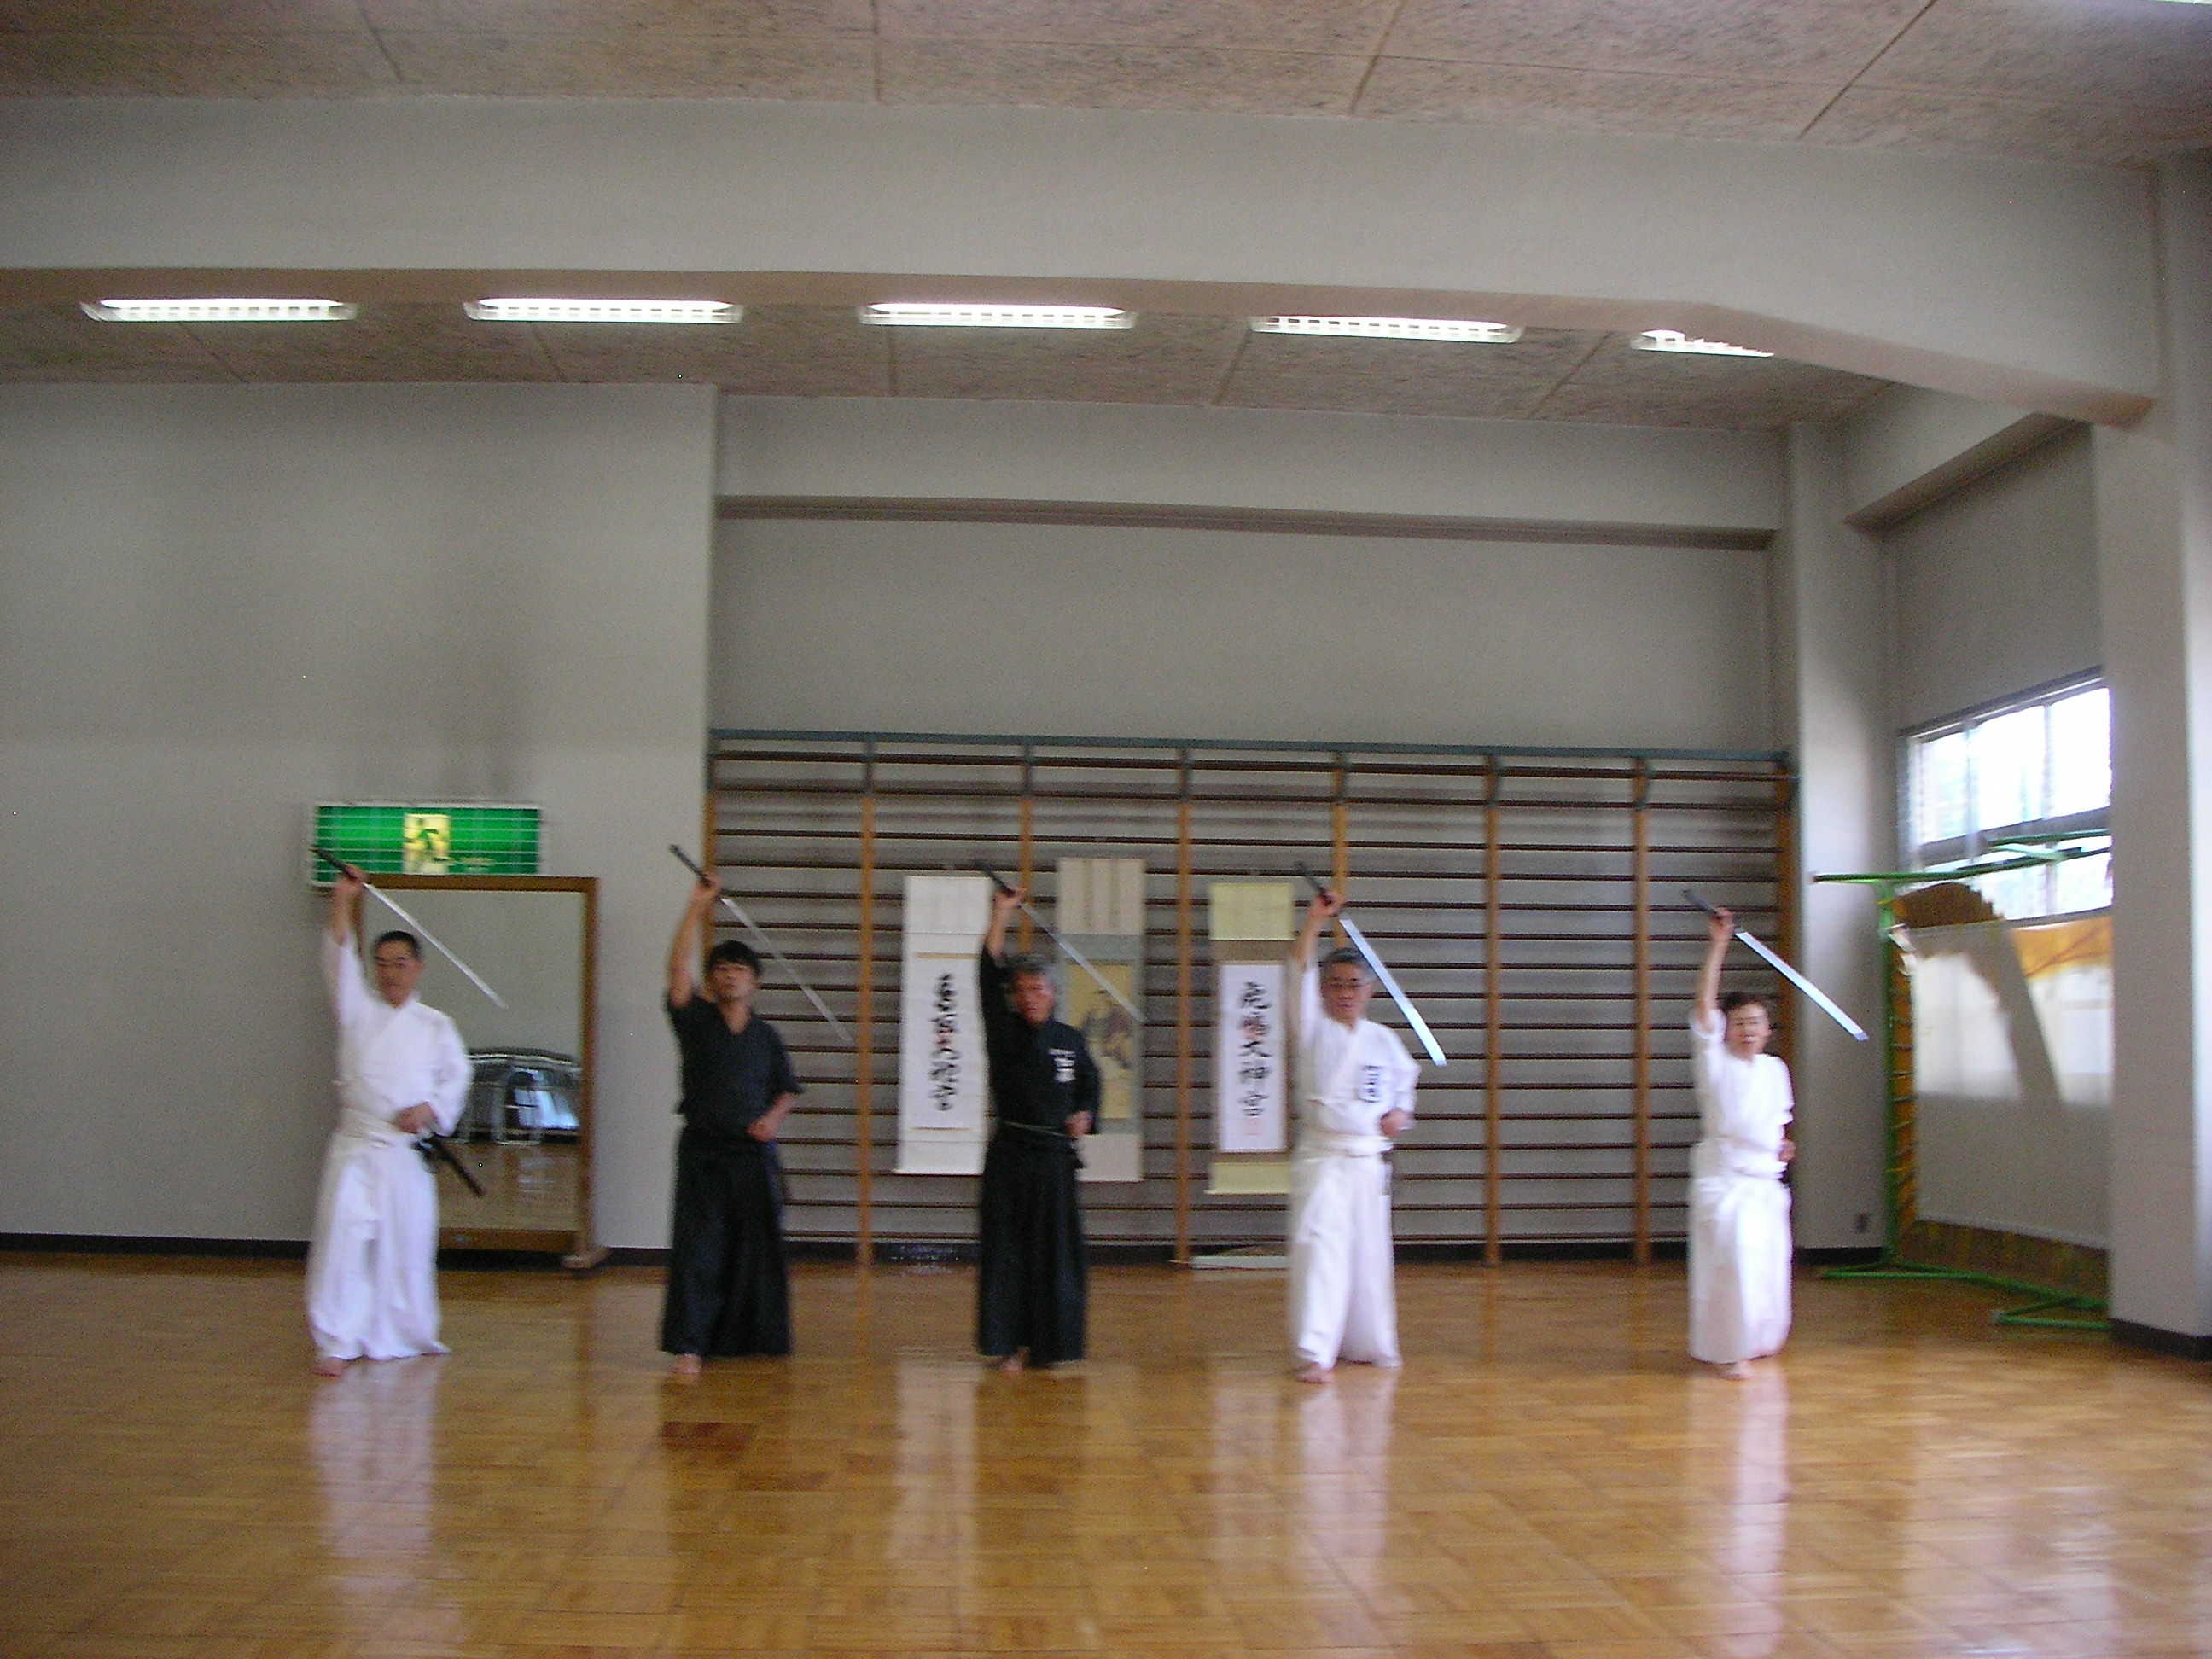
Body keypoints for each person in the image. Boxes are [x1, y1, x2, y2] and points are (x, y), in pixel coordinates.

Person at [307, 865, 471, 1377]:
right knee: (343, 1241)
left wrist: (430, 1109)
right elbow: (338, 958)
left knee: (406, 1246)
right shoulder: (357, 1010)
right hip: (357, 1146)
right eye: (381, 964)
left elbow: (457, 1078)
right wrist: (342, 900)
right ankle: (337, 1338)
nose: (390, 973)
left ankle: (405, 1331)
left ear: (418, 968)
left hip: (403, 1152)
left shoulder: (436, 1026)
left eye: (400, 963)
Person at [661, 872, 803, 1377]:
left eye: (739, 970)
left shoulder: (766, 1037)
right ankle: (691, 1345)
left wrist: (772, 1119)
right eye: (720, 969)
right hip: (704, 1151)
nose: (729, 977)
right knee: (699, 1247)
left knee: (756, 1249)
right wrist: (697, 904)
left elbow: (787, 1089)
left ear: (754, 982)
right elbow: (676, 969)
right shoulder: (696, 1021)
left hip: (750, 1154)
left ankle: (752, 1338)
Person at [1285, 890, 1419, 1383]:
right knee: (1320, 1248)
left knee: (1367, 1257)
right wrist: (1313, 923)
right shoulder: (1311, 1030)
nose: (1345, 993)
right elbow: (1298, 971)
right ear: (1323, 990)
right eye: (1336, 984)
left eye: (1354, 985)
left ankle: (1367, 1343)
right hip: (1323, 1159)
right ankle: (1313, 1350)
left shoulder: (1384, 1041)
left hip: (1366, 1162)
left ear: (1369, 990)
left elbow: (1405, 1088)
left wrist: (1399, 1114)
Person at [976, 884, 1098, 1371]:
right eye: (1021, 991)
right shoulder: (1003, 1030)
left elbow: (1090, 1086)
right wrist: (1001, 913)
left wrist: (1085, 1115)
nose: (1029, 999)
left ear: (1053, 993)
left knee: (1055, 1256)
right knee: (1008, 1251)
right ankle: (1008, 1344)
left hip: (1054, 1164)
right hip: (1011, 1156)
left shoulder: (1070, 1039)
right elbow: (987, 972)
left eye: (1038, 989)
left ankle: (1049, 1346)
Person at [1689, 905, 1796, 1379]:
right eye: (1739, 1022)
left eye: (1756, 1022)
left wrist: (1783, 1147)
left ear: (1768, 1030)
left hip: (1764, 1184)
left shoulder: (1775, 1070)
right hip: (1724, 1182)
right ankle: (1728, 1348)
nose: (1748, 1030)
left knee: (1767, 1267)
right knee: (1735, 1259)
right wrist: (1718, 945)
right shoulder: (1715, 1063)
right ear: (1727, 1030)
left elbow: (1776, 1125)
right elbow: (1704, 1010)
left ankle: (1757, 1341)